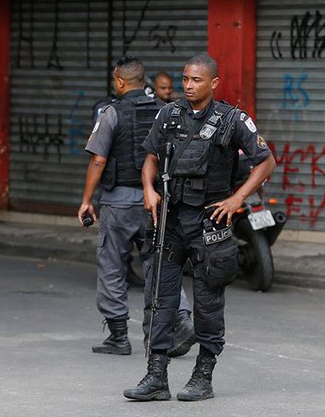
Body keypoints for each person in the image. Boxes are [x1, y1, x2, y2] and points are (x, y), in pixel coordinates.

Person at [124, 54, 276, 402]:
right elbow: (150, 156)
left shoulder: (232, 119)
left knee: (208, 303)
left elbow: (266, 162)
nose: (189, 85)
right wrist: (149, 189)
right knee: (160, 300)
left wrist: (237, 198)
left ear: (213, 83)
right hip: (170, 220)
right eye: (186, 79)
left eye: (196, 80)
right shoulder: (169, 114)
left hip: (210, 222)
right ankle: (156, 376)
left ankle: (203, 376)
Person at [78, 57, 196, 357]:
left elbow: (98, 159)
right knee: (160, 264)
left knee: (112, 266)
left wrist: (86, 200)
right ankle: (180, 321)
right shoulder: (166, 110)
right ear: (143, 81)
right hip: (155, 200)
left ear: (119, 82)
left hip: (118, 202)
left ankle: (118, 336)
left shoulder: (111, 112)